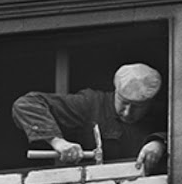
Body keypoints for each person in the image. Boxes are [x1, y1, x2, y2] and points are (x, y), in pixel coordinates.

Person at [12, 63, 167, 173]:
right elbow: (26, 104)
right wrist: (58, 142)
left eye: (137, 107)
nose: (127, 112)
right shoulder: (91, 103)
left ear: (150, 104)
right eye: (124, 103)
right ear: (116, 92)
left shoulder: (164, 116)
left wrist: (161, 142)